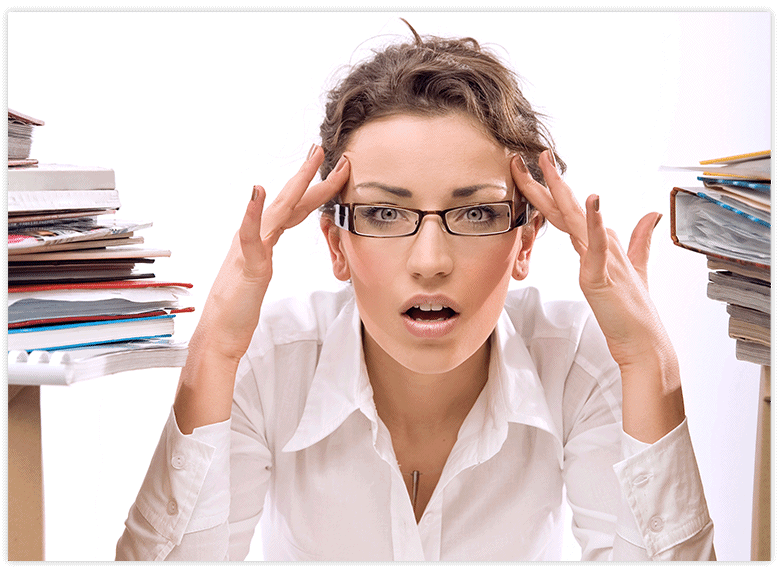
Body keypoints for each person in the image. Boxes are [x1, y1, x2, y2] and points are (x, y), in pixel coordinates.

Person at [116, 25, 715, 561]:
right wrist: (215, 349)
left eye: (477, 214)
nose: (430, 262)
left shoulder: (578, 361)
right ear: (336, 244)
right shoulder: (269, 359)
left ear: (526, 242)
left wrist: (649, 364)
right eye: (383, 213)